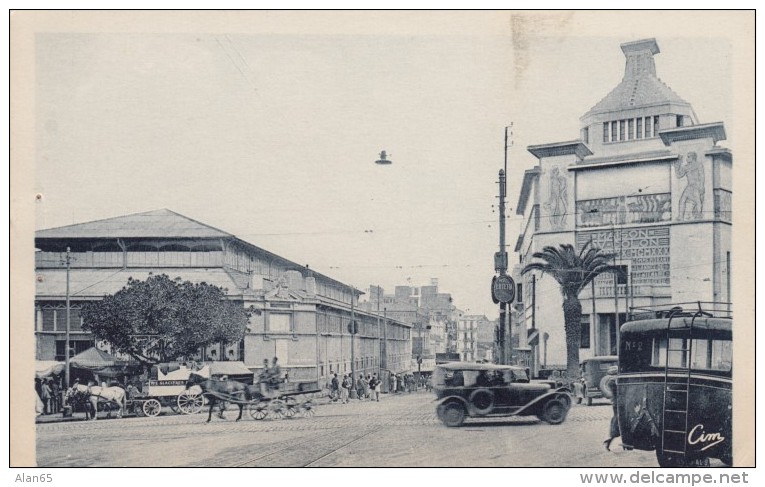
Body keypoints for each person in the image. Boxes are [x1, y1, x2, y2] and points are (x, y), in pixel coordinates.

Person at [603, 368, 620, 451]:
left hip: (616, 404)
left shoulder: (612, 381)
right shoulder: (613, 382)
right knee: (617, 422)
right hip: (617, 404)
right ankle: (608, 442)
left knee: (617, 422)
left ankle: (609, 441)